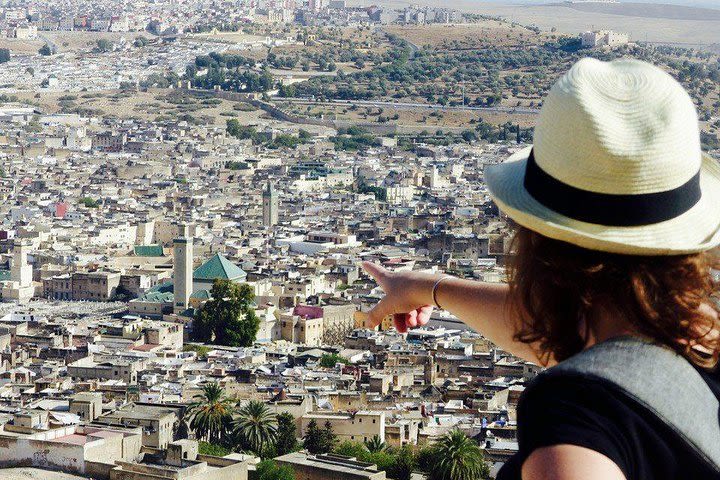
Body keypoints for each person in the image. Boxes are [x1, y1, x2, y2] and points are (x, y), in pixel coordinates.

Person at [362, 58, 720, 480]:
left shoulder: (579, 417)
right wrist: (430, 288)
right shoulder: (702, 340)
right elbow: (567, 334)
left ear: (539, 239)